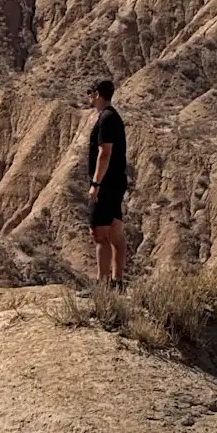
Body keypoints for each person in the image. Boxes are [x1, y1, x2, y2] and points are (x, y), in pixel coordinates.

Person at [86, 79, 127, 283]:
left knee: (100, 234)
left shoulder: (106, 119)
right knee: (115, 233)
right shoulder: (114, 117)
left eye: (90, 92)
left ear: (97, 94)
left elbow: (105, 153)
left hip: (106, 184)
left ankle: (102, 283)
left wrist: (96, 184)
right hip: (116, 182)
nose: (89, 97)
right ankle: (117, 281)